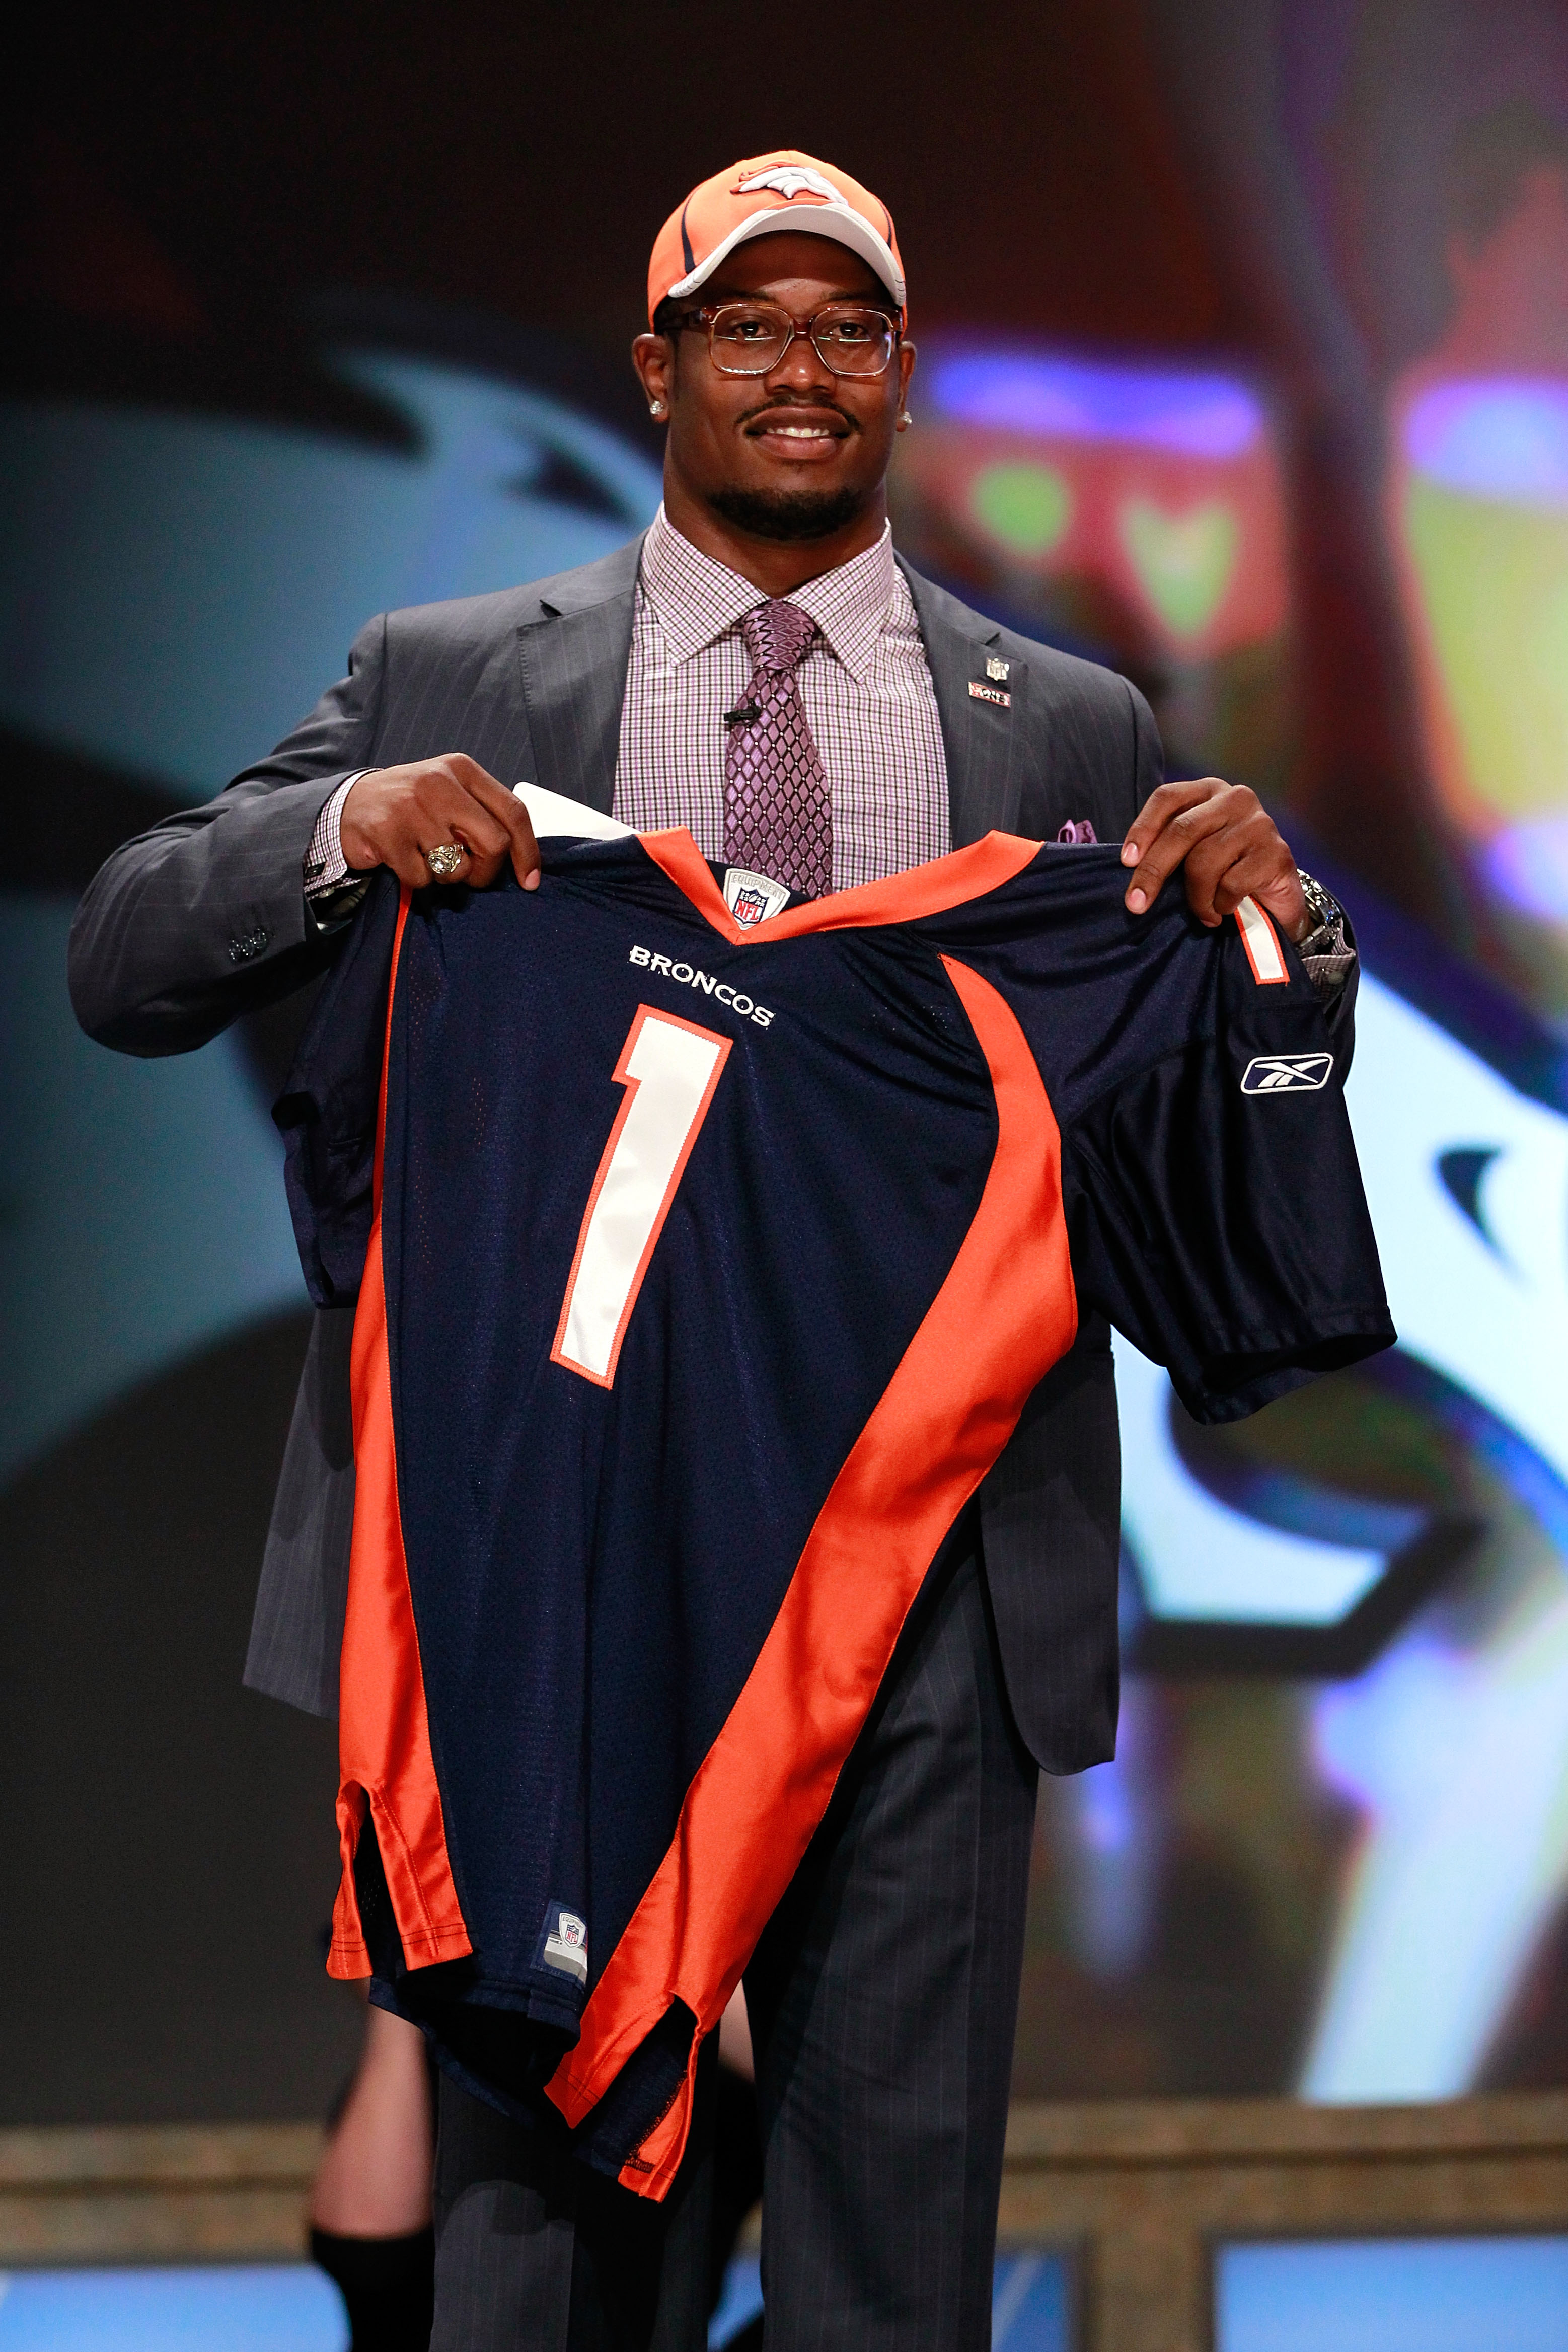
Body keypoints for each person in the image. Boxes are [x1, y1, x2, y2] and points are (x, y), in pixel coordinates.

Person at [70, 151, 1356, 2351]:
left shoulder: (1061, 727)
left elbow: (1150, 1191)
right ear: (656, 365)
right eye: (745, 324)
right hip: (538, 1561)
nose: (797, 368)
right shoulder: (447, 671)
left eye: (842, 328)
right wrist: (339, 827)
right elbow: (124, 951)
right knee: (541, 2264)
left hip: (924, 1582)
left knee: (889, 2265)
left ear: (902, 379)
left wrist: (1277, 944)